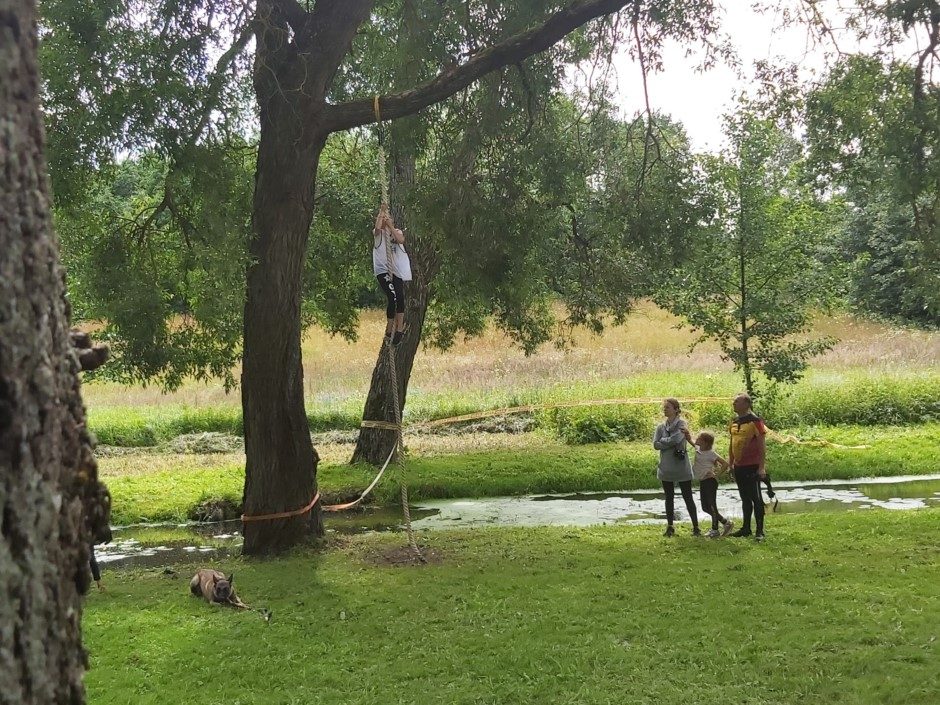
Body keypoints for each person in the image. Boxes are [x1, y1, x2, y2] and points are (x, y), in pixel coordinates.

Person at [653, 398, 700, 537]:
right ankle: (670, 526)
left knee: (687, 496)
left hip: (681, 467)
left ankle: (696, 527)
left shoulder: (682, 424)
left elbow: (677, 439)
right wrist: (667, 442)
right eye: (664, 407)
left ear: (676, 409)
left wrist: (664, 441)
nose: (665, 409)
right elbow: (655, 444)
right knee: (669, 497)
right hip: (666, 467)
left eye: (667, 407)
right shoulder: (660, 427)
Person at [727, 393, 768, 541]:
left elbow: (762, 446)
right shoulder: (734, 421)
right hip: (739, 466)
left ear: (746, 404)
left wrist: (762, 467)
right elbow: (731, 443)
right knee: (744, 498)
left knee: (756, 498)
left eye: (736, 401)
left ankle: (760, 531)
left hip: (753, 466)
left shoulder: (755, 421)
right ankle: (746, 528)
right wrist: (730, 463)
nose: (733, 403)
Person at [373, 204, 412, 345]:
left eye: (387, 219)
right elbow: (378, 228)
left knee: (400, 297)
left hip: (395, 271)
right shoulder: (378, 236)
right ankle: (389, 330)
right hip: (383, 271)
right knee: (392, 296)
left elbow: (401, 240)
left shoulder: (396, 233)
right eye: (383, 219)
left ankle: (399, 329)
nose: (384, 221)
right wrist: (381, 212)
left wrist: (390, 226)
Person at [691, 431, 734, 538]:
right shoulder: (698, 450)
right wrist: (686, 434)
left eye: (700, 438)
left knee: (711, 505)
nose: (697, 439)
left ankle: (715, 530)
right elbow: (691, 441)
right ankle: (726, 523)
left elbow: (725, 463)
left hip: (710, 481)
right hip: (702, 481)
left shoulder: (711, 453)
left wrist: (716, 475)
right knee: (705, 507)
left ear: (705, 442)